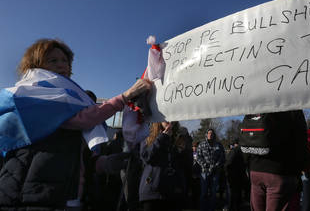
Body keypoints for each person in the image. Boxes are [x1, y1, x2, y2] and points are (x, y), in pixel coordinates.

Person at [0, 38, 152, 209]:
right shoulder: (31, 97)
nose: (61, 65)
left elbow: (76, 156)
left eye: (65, 61)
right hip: (32, 196)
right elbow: (84, 119)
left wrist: (105, 163)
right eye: (53, 60)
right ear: (36, 64)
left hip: (63, 196)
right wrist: (125, 97)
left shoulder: (65, 97)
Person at [245, 110, 308, 211]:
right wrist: (298, 170)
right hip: (280, 171)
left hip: (256, 169)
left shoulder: (257, 105)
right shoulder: (293, 108)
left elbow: (247, 136)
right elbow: (301, 143)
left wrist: (248, 164)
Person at [138, 121, 189, 211]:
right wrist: (162, 137)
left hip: (173, 193)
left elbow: (183, 165)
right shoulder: (148, 136)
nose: (169, 120)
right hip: (152, 191)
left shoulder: (178, 139)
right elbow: (146, 157)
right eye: (165, 118)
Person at [196, 128, 226, 211]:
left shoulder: (218, 145)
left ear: (214, 135)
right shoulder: (202, 144)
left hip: (215, 172)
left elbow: (222, 157)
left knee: (213, 192)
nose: (210, 134)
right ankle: (203, 208)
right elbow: (198, 157)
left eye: (212, 133)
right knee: (204, 192)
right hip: (204, 172)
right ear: (206, 134)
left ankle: (211, 208)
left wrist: (216, 165)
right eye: (208, 133)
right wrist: (204, 164)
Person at [225, 139, 248, 211]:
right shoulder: (244, 151)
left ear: (235, 144)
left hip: (233, 176)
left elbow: (228, 163)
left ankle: (231, 207)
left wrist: (226, 172)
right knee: (238, 194)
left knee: (232, 194)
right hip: (241, 175)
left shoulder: (234, 151)